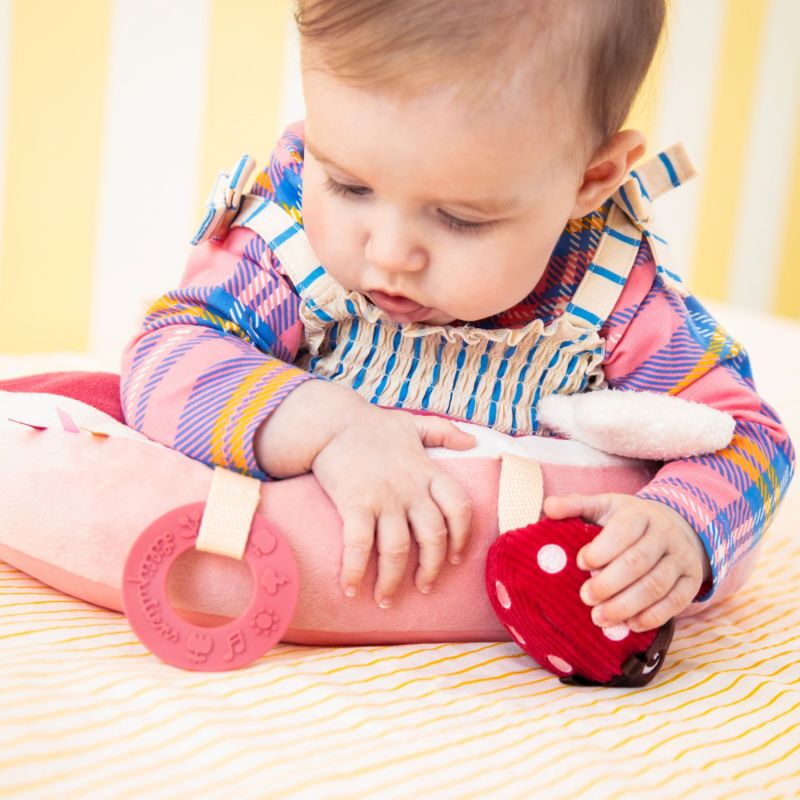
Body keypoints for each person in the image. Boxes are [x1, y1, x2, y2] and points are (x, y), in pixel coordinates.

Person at [120, 0, 794, 640]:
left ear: (591, 180)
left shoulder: (614, 288)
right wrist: (328, 429)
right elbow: (165, 358)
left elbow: (749, 437)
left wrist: (679, 526)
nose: (387, 254)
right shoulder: (289, 236)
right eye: (350, 186)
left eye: (460, 218)